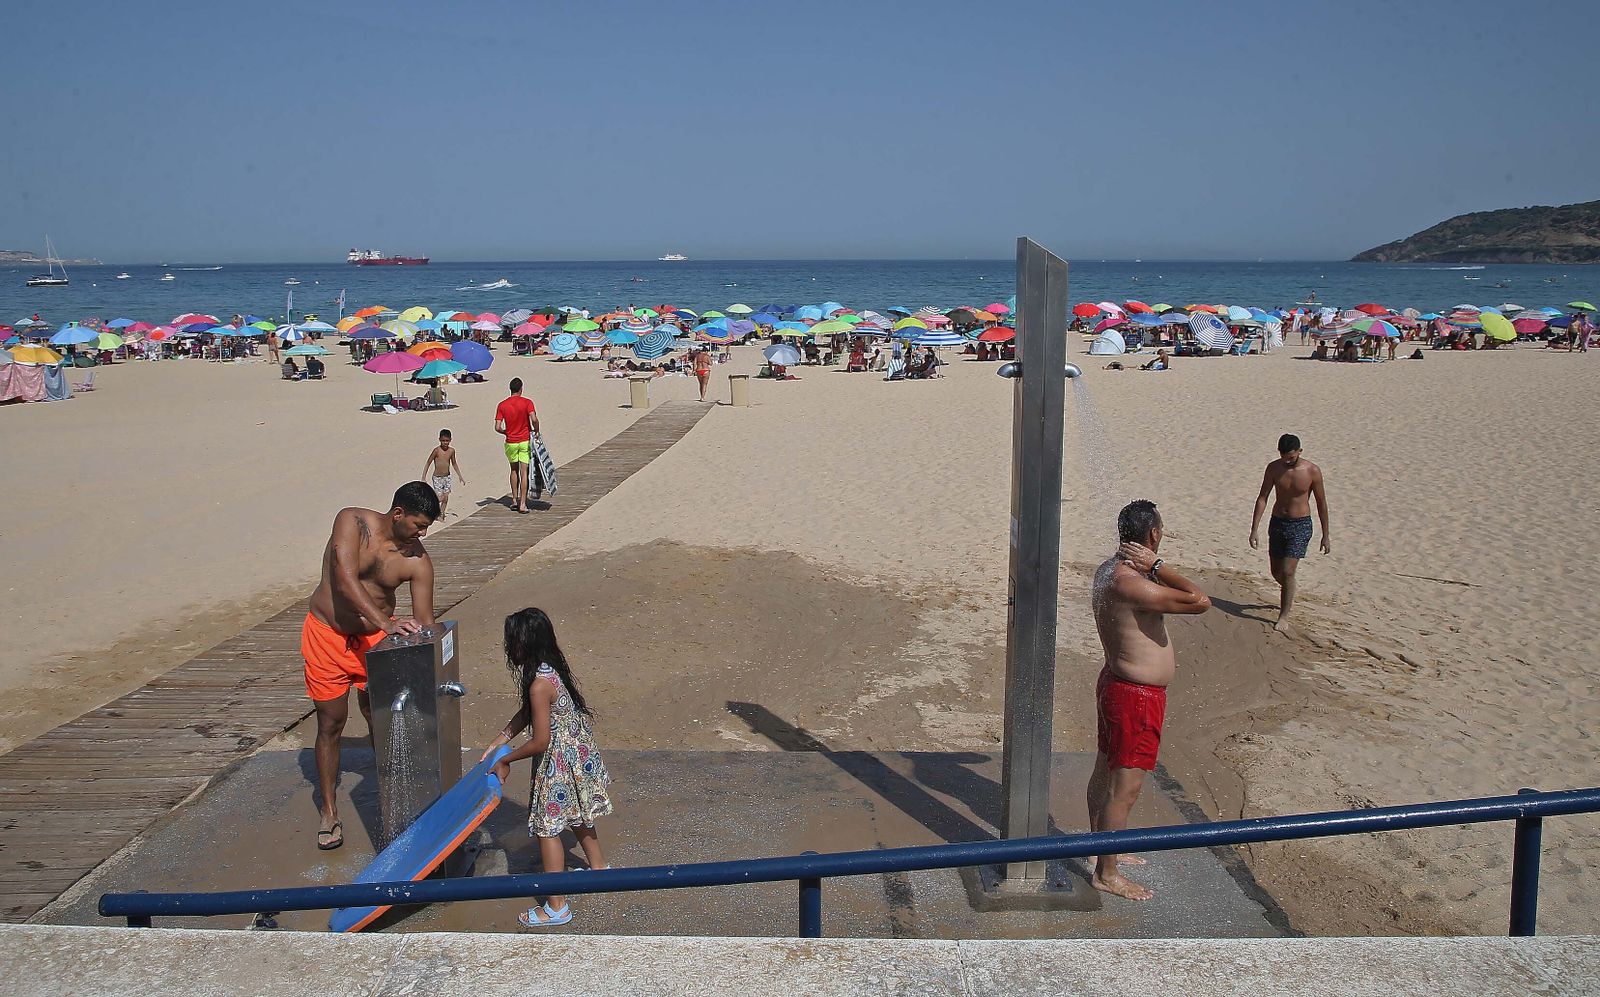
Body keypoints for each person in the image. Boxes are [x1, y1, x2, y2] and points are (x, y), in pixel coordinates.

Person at [302, 482, 439, 850]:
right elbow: (344, 579)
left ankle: (394, 800)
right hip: (327, 633)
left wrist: (435, 658)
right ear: (398, 514)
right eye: (417, 525)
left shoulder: (416, 560)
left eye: (426, 528)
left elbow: (426, 622)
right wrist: (386, 622)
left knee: (380, 716)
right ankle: (329, 811)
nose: (421, 534)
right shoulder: (352, 522)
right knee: (331, 722)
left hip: (374, 642)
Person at [1087, 500, 1211, 901]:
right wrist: (1159, 566)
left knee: (1106, 773)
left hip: (1117, 685)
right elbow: (1199, 599)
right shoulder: (1133, 583)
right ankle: (1106, 872)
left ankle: (1102, 849)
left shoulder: (1109, 570)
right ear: (1153, 536)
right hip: (1135, 698)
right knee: (1125, 787)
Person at [484, 608, 614, 928]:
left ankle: (557, 906)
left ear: (523, 644)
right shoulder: (547, 669)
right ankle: (600, 871)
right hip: (576, 756)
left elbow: (540, 742)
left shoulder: (538, 684)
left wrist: (504, 759)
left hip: (557, 763)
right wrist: (500, 738)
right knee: (577, 816)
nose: (508, 647)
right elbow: (528, 713)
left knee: (548, 828)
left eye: (511, 641)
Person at [1249, 434, 1331, 631]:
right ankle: (1289, 588)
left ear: (1300, 452)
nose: (1288, 461)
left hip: (1300, 525)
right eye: (1285, 457)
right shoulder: (1274, 468)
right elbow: (1263, 497)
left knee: (1287, 571)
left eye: (1292, 457)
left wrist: (1326, 535)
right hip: (1278, 522)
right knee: (1276, 572)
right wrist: (1254, 529)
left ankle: (1284, 615)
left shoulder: (1312, 471)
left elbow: (1321, 503)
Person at [495, 377, 539, 514]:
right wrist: (536, 430)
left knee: (513, 470)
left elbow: (497, 427)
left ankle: (514, 500)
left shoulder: (502, 405)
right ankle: (523, 504)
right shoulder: (527, 402)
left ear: (510, 389)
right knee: (524, 472)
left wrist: (506, 432)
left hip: (511, 441)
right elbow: (534, 419)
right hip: (524, 440)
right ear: (521, 389)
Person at [423, 429, 466, 518]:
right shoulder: (436, 450)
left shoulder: (451, 451)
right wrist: (424, 476)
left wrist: (460, 476)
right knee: (440, 497)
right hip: (437, 477)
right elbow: (428, 462)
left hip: (447, 477)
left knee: (446, 498)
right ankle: (431, 505)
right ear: (439, 439)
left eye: (447, 441)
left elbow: (454, 463)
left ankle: (441, 514)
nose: (445, 443)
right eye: (443, 440)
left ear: (450, 440)